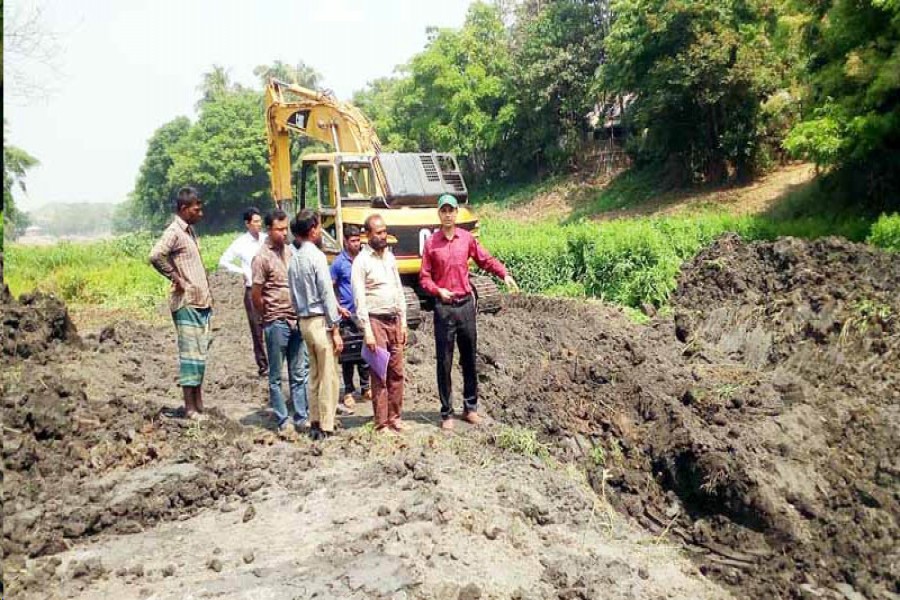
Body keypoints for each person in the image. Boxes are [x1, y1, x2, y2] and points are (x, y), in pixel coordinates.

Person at [420, 194, 519, 430]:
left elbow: (485, 260)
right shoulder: (431, 243)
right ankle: (446, 413)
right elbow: (424, 277)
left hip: (465, 306)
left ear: (456, 213)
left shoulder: (466, 239)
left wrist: (504, 274)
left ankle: (470, 407)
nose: (447, 214)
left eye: (451, 210)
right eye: (443, 210)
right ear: (439, 214)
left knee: (469, 359)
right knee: (444, 361)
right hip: (444, 308)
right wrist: (437, 290)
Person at [149, 186, 213, 420]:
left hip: (200, 302)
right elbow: (155, 255)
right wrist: (177, 279)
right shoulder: (174, 232)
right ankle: (190, 408)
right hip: (187, 303)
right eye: (196, 208)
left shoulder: (189, 232)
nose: (200, 213)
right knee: (190, 356)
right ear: (184, 209)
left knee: (199, 355)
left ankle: (198, 403)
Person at [287, 209, 344, 441]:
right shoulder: (317, 257)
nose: (321, 231)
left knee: (314, 374)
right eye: (319, 227)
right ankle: (327, 425)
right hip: (320, 322)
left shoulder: (294, 260)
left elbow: (292, 295)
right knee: (328, 375)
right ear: (312, 231)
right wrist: (336, 327)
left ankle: (314, 420)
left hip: (303, 322)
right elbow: (326, 294)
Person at [251, 210, 309, 434]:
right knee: (276, 375)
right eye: (279, 229)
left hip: (295, 318)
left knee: (299, 372)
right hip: (276, 319)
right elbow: (256, 293)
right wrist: (267, 316)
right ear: (268, 229)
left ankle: (301, 416)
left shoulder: (290, 252)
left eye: (286, 229)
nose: (284, 233)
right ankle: (283, 420)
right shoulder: (262, 257)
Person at [351, 214, 408, 434]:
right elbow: (359, 299)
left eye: (385, 231)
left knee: (397, 371)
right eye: (379, 232)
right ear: (368, 235)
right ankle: (381, 422)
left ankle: (395, 417)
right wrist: (368, 331)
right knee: (380, 373)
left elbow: (398, 289)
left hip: (394, 319)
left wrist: (403, 322)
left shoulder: (390, 258)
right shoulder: (361, 262)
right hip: (375, 321)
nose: (383, 236)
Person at [219, 207, 268, 376]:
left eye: (260, 221)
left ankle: (275, 362)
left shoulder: (266, 240)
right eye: (255, 222)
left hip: (269, 289)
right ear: (247, 224)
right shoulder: (240, 243)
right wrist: (243, 272)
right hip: (251, 288)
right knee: (257, 328)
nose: (258, 225)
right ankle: (263, 365)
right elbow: (224, 261)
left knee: (273, 324)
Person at [330, 224, 370, 415]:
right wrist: (338, 308)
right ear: (345, 241)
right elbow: (330, 288)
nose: (357, 244)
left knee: (364, 354)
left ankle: (365, 387)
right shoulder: (339, 263)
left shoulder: (364, 259)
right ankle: (348, 391)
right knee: (347, 356)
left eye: (358, 240)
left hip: (363, 313)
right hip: (347, 315)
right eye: (353, 241)